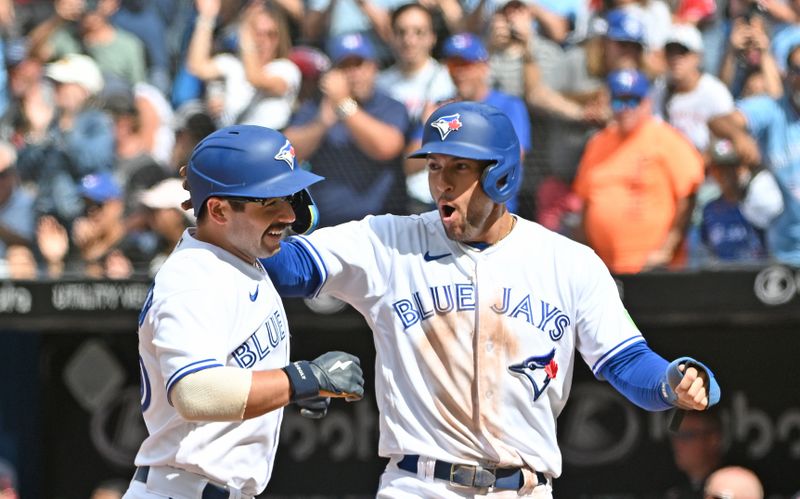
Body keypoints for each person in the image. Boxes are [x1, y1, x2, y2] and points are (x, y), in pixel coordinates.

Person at [257, 101, 720, 497]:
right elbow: (292, 270)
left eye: (460, 167)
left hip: (523, 486)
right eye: (435, 166)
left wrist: (671, 380)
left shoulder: (567, 261)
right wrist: (250, 213)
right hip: (419, 483)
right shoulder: (389, 240)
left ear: (500, 175)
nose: (442, 183)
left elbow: (624, 362)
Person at [123, 125, 365, 498]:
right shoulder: (192, 279)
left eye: (288, 196)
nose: (287, 214)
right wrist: (300, 379)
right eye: (269, 201)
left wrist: (290, 389)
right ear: (218, 210)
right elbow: (195, 392)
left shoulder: (241, 255)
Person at [573, 69, 705, 273]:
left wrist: (667, 247)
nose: (626, 108)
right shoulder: (598, 143)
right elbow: (586, 202)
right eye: (618, 101)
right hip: (606, 270)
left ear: (647, 102)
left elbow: (689, 194)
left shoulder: (664, 138)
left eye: (633, 101)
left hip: (654, 268)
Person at [708, 42, 800, 267]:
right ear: (787, 75)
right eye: (798, 70)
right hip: (787, 254)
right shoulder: (773, 110)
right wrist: (739, 137)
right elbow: (719, 121)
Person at [665, 407, 725, 499]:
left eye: (687, 436)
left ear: (713, 439)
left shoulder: (732, 485)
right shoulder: (672, 490)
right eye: (675, 437)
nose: (678, 444)